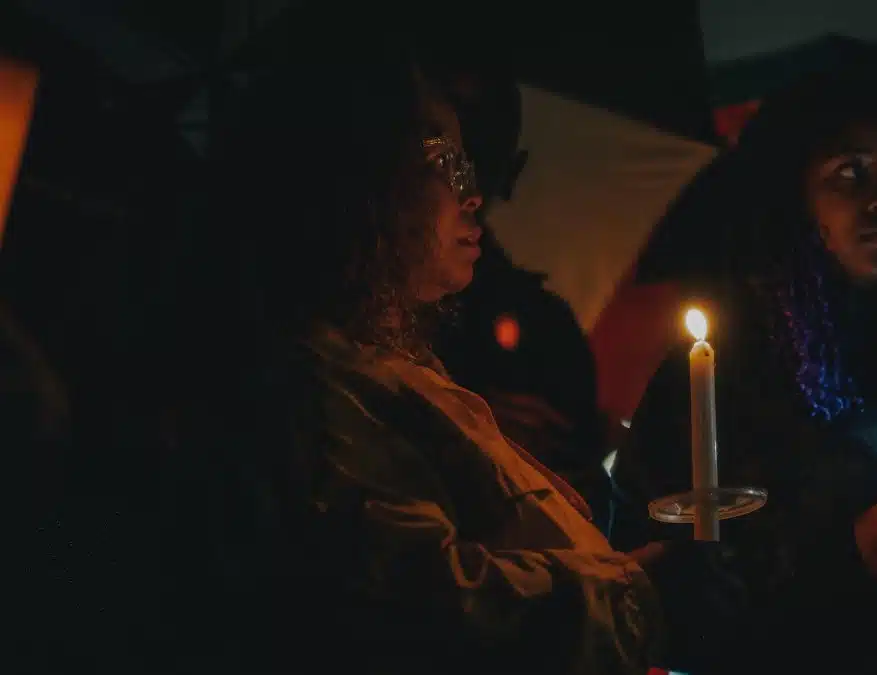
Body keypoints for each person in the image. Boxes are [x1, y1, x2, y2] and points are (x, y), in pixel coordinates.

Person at [180, 29, 741, 675]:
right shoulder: (312, 391)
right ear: (355, 180)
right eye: (443, 160)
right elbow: (423, 609)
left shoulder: (386, 370)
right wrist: (637, 598)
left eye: (471, 163)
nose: (473, 191)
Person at [610, 74, 877, 674]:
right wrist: (845, 560)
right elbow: (668, 578)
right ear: (797, 199)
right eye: (851, 173)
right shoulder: (723, 368)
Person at [430, 69, 614, 529]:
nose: (462, 183)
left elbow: (583, 509)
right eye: (439, 152)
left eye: (478, 147)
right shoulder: (345, 324)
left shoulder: (545, 327)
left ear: (510, 171)